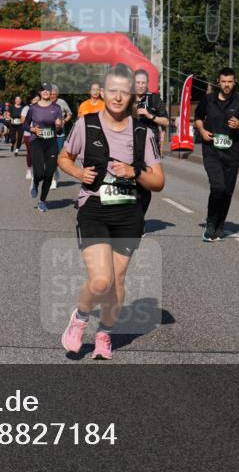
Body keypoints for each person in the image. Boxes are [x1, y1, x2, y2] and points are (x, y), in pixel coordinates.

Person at [57, 64, 164, 360]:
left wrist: (135, 171)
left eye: (124, 92)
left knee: (117, 282)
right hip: (93, 207)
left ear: (132, 96)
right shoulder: (86, 123)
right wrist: (79, 174)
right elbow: (63, 158)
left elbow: (158, 181)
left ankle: (104, 332)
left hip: (129, 210)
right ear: (103, 92)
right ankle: (79, 319)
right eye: (112, 91)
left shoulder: (142, 132)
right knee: (101, 280)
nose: (118, 97)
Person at [194, 67, 239, 242]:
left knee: (227, 191)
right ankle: (211, 223)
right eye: (223, 82)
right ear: (218, 82)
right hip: (211, 150)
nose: (226, 85)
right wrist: (202, 131)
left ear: (235, 82)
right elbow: (197, 117)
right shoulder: (208, 99)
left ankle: (220, 225)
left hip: (232, 152)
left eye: (230, 82)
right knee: (217, 186)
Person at [133, 69, 169, 221]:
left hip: (148, 147)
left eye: (143, 83)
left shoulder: (154, 99)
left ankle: (139, 218)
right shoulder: (126, 98)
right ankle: (128, 220)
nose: (140, 86)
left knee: (145, 185)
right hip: (129, 145)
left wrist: (150, 116)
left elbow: (166, 121)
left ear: (147, 84)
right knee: (128, 183)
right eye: (137, 83)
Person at [24, 84, 63, 212]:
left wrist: (58, 126)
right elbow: (25, 124)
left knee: (49, 173)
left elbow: (59, 129)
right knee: (40, 173)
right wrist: (32, 129)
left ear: (50, 92)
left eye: (47, 90)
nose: (45, 92)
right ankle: (35, 183)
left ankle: (42, 201)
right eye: (43, 90)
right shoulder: (33, 108)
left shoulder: (56, 108)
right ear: (40, 92)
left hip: (51, 143)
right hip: (37, 142)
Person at [50, 84, 72, 189]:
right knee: (50, 155)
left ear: (57, 94)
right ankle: (53, 177)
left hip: (59, 133)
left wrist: (64, 121)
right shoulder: (46, 103)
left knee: (56, 155)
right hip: (48, 132)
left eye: (54, 94)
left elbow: (69, 114)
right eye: (51, 94)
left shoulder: (62, 102)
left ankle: (54, 174)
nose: (52, 96)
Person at [23, 93, 39, 180]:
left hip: (40, 134)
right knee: (30, 152)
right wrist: (32, 128)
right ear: (31, 100)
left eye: (38, 100)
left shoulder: (43, 108)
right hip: (29, 134)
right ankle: (29, 169)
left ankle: (37, 171)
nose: (37, 101)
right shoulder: (27, 108)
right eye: (35, 100)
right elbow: (23, 121)